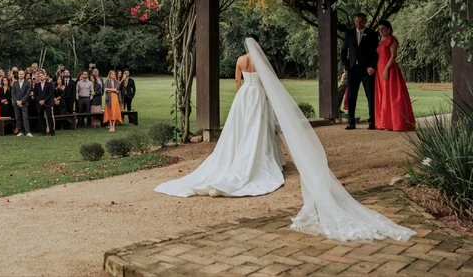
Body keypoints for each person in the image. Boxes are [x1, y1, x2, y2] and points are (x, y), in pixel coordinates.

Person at [156, 36, 416, 243]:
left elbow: (237, 82)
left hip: (244, 97)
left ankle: (245, 157)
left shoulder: (240, 60)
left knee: (241, 131)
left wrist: (245, 93)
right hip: (258, 96)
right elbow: (268, 83)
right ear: (257, 45)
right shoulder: (261, 60)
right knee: (259, 130)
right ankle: (265, 159)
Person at [374, 21, 416, 132]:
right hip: (380, 69)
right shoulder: (382, 41)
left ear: (389, 29)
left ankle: (395, 123)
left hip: (389, 69)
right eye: (379, 29)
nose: (381, 31)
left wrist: (386, 69)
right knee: (384, 95)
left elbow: (393, 56)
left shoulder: (392, 40)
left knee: (392, 95)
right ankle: (385, 122)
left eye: (383, 28)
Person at [341, 13, 379, 130]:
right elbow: (343, 50)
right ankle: (351, 122)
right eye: (356, 21)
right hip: (353, 69)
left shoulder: (372, 34)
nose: (359, 24)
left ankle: (372, 121)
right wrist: (346, 65)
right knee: (351, 96)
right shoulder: (349, 33)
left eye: (361, 21)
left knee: (370, 95)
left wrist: (372, 66)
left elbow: (375, 52)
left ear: (365, 21)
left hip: (367, 70)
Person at [11, 70, 32, 137]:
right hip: (16, 103)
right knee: (18, 118)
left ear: (24, 75)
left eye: (22, 74)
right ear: (18, 75)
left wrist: (21, 101)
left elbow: (27, 93)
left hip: (24, 103)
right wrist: (17, 101)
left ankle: (27, 132)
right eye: (20, 74)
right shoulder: (15, 83)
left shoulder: (27, 83)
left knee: (25, 117)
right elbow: (13, 94)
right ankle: (20, 131)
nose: (21, 75)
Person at [34, 70, 55, 135]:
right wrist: (39, 101)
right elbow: (35, 94)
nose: (41, 77)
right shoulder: (37, 85)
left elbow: (50, 94)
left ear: (44, 76)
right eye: (39, 76)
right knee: (41, 117)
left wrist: (44, 100)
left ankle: (51, 131)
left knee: (49, 117)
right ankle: (43, 131)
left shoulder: (49, 84)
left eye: (42, 75)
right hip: (39, 104)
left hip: (47, 103)